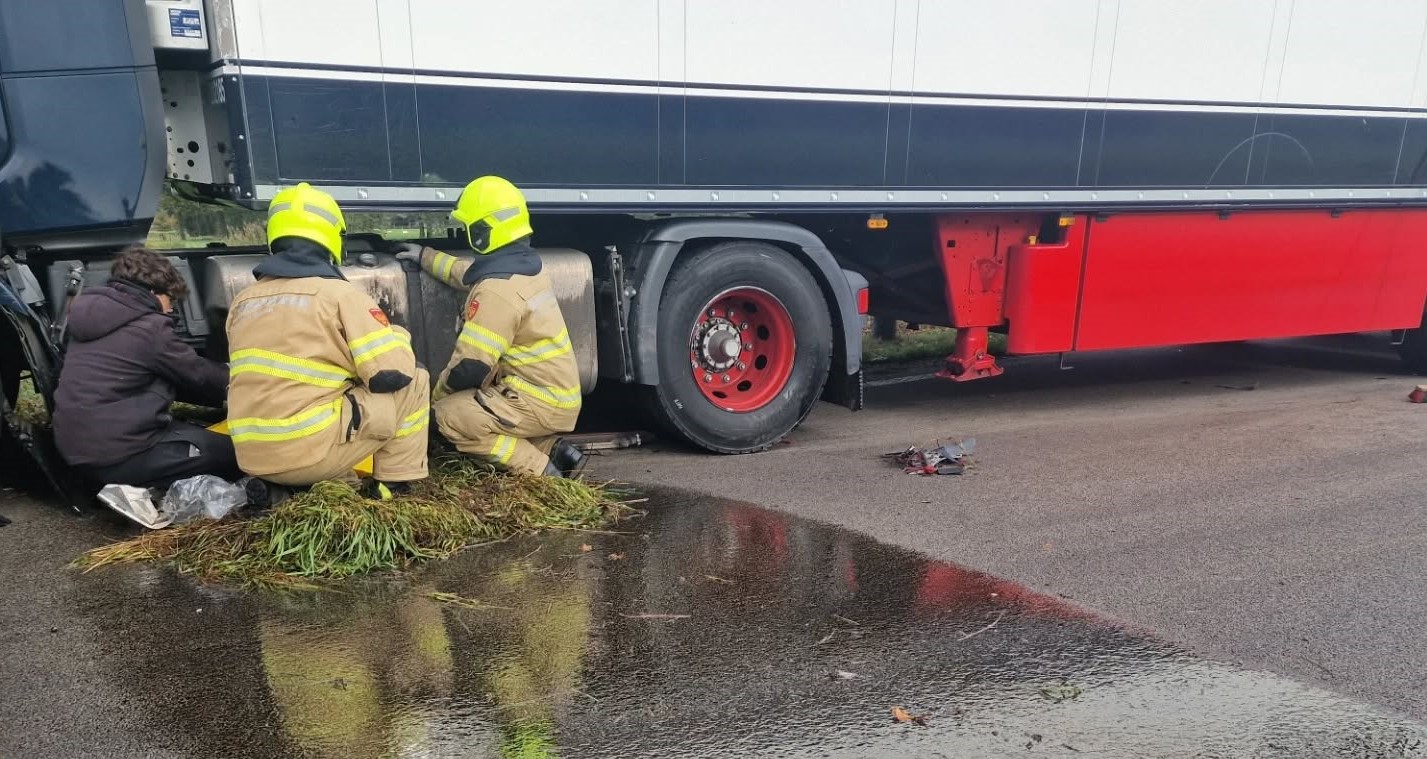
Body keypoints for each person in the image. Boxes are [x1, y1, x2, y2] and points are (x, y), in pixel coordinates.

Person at [226, 183, 429, 502]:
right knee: (416, 379)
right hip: (308, 452)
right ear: (333, 237)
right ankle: (395, 485)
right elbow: (391, 374)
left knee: (325, 396)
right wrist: (399, 336)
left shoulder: (244, 301)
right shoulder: (339, 296)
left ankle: (295, 490)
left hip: (251, 455)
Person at [396, 175, 584, 478]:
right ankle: (554, 449)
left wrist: (434, 403)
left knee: (452, 418)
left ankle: (540, 468)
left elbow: (469, 367)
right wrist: (424, 256)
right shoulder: (522, 270)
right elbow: (467, 273)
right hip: (550, 396)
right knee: (485, 410)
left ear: (482, 233)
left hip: (536, 400)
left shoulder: (497, 292)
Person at [52, 246, 236, 488]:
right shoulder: (149, 327)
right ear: (153, 291)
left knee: (193, 434)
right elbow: (199, 375)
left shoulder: (91, 316)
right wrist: (249, 379)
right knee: (235, 451)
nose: (170, 308)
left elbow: (164, 378)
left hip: (78, 452)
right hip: (121, 457)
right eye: (170, 299)